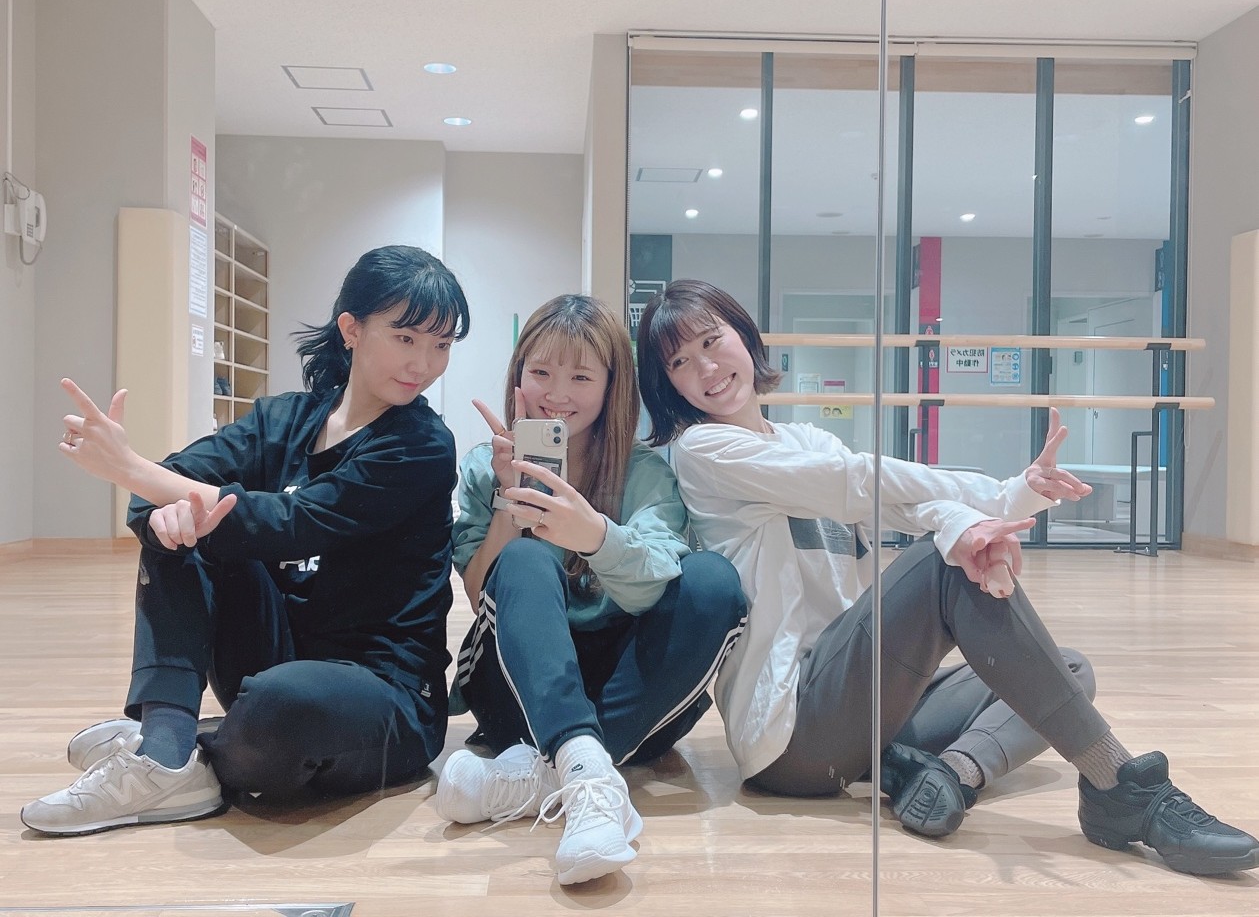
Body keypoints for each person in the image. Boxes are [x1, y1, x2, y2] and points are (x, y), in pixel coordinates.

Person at [635, 278, 1259, 876]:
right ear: (669, 385)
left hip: (861, 705)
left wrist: (986, 514)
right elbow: (856, 483)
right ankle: (1122, 787)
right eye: (681, 362)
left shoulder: (805, 438)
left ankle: (952, 774)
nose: (707, 368)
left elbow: (899, 502)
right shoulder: (704, 451)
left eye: (712, 341)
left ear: (744, 336)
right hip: (792, 730)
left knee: (1069, 670)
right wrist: (991, 504)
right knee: (941, 564)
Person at [21, 245, 470, 837]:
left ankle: (168, 743)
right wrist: (156, 503)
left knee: (283, 706)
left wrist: (130, 468)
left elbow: (293, 521)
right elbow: (167, 485)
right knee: (179, 525)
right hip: (272, 656)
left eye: (441, 345)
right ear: (352, 329)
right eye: (406, 338)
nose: (423, 364)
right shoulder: (282, 420)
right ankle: (166, 754)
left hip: (382, 692)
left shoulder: (421, 445)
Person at [434, 294, 746, 886]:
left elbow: (653, 591)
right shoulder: (482, 467)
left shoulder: (644, 473)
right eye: (541, 372)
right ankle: (585, 769)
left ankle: (553, 773)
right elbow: (481, 597)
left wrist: (596, 537)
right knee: (525, 557)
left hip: (632, 695)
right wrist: (510, 500)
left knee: (713, 580)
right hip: (519, 691)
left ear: (611, 387)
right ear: (518, 375)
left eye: (581, 377)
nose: (557, 393)